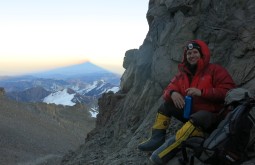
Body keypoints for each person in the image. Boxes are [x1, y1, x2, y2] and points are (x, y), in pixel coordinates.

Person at [138, 39, 236, 164]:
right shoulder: (183, 74)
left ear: (202, 54)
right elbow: (168, 89)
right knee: (166, 105)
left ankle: (165, 152)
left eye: (195, 52)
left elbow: (229, 91)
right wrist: (173, 93)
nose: (192, 56)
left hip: (213, 118)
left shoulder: (215, 70)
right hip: (191, 113)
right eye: (189, 53)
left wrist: (202, 92)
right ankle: (156, 139)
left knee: (200, 116)